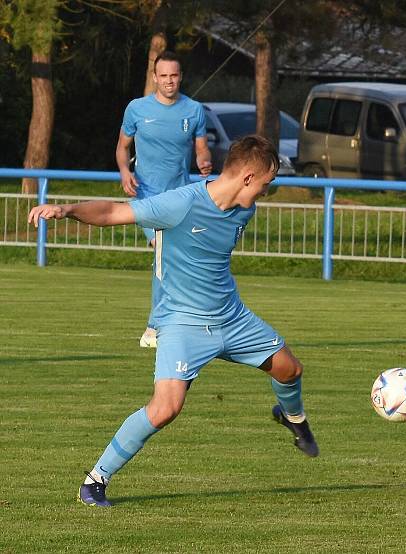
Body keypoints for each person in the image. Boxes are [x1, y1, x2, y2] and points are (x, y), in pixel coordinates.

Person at [29, 135, 317, 508]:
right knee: (166, 408)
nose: (267, 191)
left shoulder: (245, 209)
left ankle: (294, 420)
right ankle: (95, 480)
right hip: (182, 322)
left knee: (290, 370)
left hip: (232, 317)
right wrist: (66, 210)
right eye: (267, 182)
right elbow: (115, 213)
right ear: (247, 177)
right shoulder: (181, 203)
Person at [115, 50, 213, 348]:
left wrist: (205, 161)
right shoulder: (136, 108)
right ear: (154, 78)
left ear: (180, 77)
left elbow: (201, 149)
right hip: (146, 197)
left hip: (181, 198)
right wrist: (123, 171)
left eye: (174, 75)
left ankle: (179, 321)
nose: (169, 81)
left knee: (177, 259)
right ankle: (154, 328)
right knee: (163, 251)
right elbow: (122, 147)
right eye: (164, 76)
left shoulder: (194, 110)